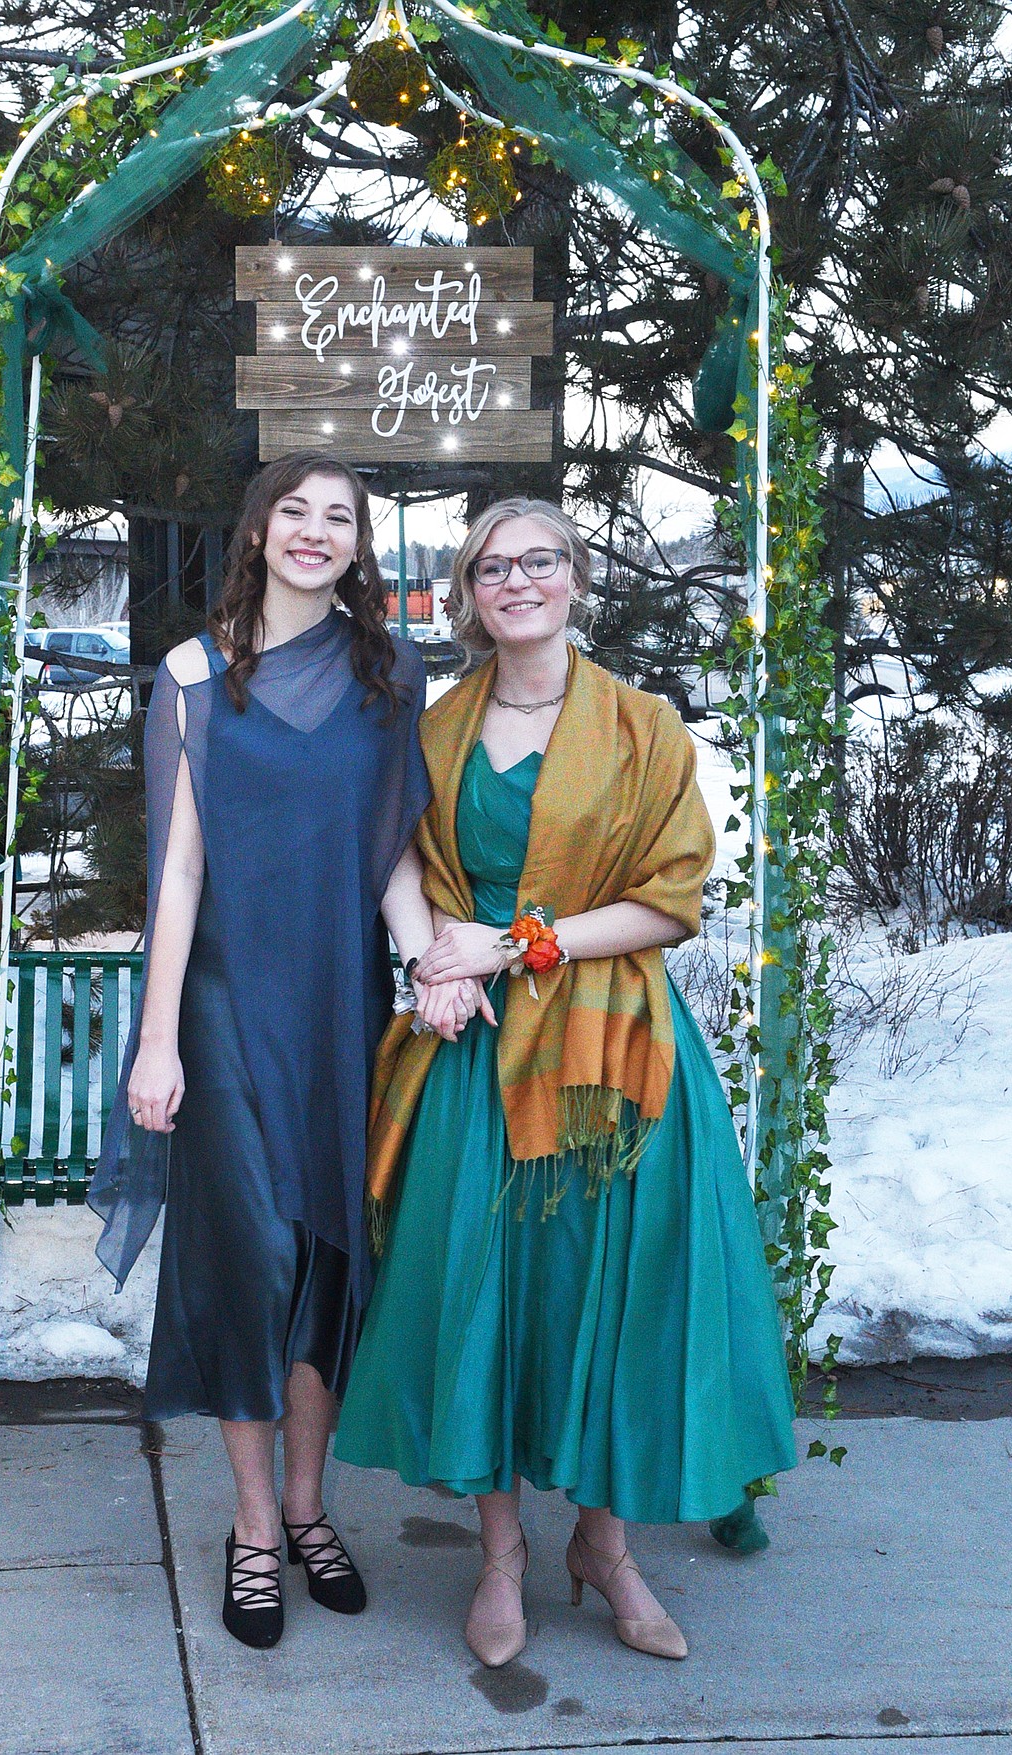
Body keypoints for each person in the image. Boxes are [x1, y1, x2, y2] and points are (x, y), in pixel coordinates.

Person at [335, 497, 798, 1668]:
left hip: (614, 1056)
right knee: (484, 1296)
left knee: (612, 1303)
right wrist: (437, 959)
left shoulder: (645, 729)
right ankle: (500, 1556)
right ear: (469, 594)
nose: (518, 581)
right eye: (493, 567)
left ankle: (605, 1546)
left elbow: (668, 902)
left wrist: (515, 944)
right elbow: (397, 853)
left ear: (577, 579)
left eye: (540, 560)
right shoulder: (436, 730)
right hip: (477, 1049)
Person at [89, 452, 464, 1650]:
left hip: (340, 1003)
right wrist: (156, 1047)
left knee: (327, 1264)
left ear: (360, 545)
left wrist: (431, 961)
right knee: (248, 1263)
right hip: (221, 1010)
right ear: (256, 531)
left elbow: (390, 851)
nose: (314, 532)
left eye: (339, 518)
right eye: (294, 512)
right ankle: (255, 1527)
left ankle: (310, 1510)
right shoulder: (194, 673)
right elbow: (179, 873)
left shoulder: (387, 668)